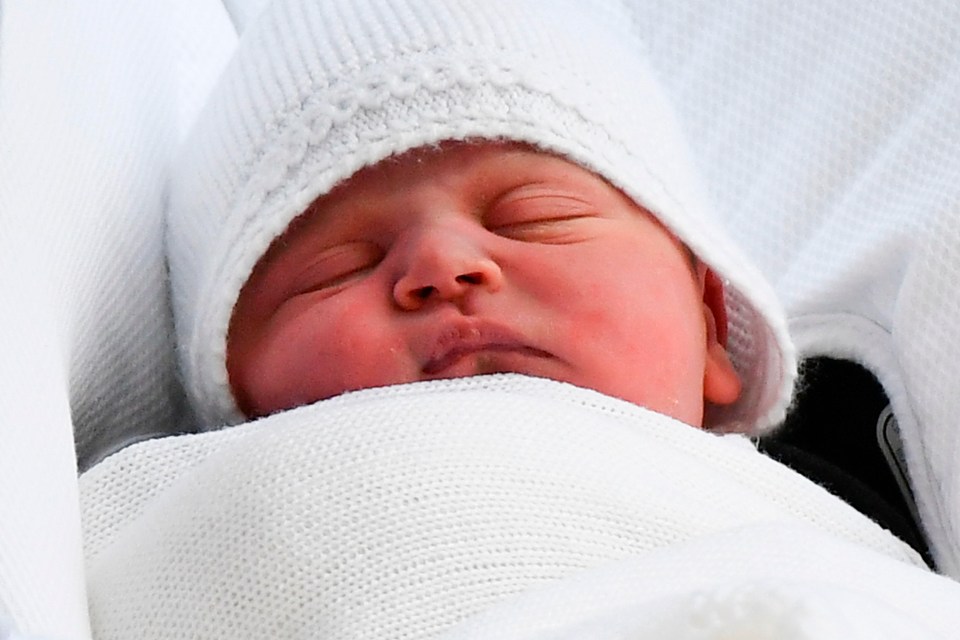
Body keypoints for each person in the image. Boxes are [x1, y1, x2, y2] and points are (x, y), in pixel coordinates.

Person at [166, 0, 796, 440]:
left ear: (709, 321)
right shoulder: (169, 522)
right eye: (335, 269)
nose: (441, 263)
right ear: (236, 398)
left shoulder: (808, 529)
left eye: (535, 218)